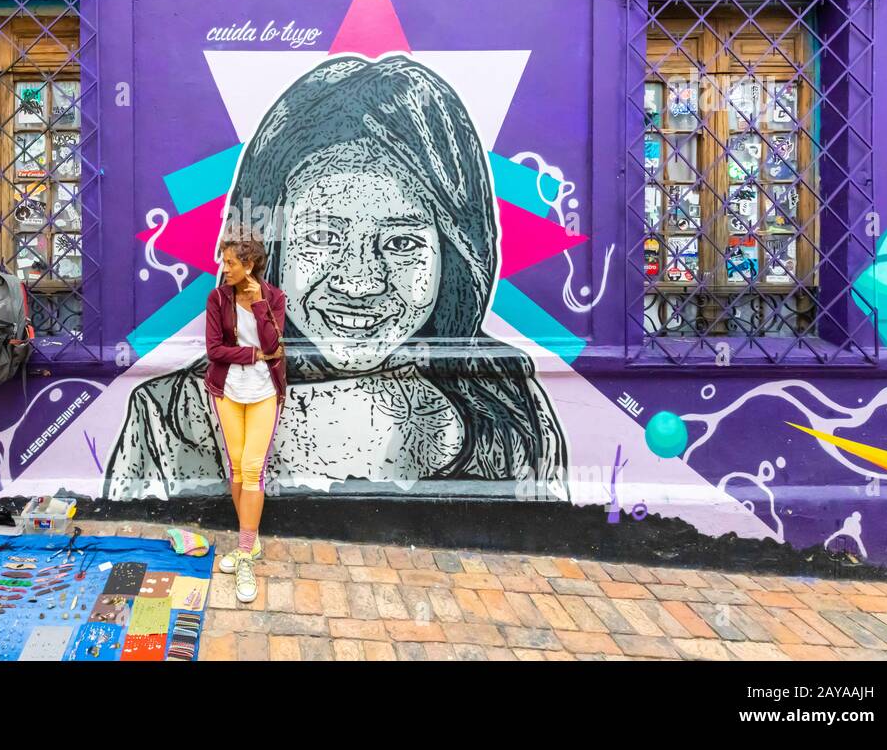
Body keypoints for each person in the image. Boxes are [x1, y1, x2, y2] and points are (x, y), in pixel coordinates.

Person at [104, 54, 568, 514]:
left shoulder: (509, 405)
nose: (360, 281)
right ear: (267, 248)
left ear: (455, 254)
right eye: (322, 236)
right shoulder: (169, 419)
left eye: (402, 242)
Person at [204, 230, 285, 603]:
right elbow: (215, 351)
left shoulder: (275, 299)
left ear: (249, 265)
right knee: (237, 468)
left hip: (264, 393)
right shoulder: (217, 298)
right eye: (224, 260)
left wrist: (256, 306)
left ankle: (245, 552)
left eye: (231, 262)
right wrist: (251, 356)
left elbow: (274, 346)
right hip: (229, 392)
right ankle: (247, 544)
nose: (224, 268)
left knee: (253, 468)